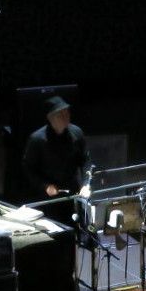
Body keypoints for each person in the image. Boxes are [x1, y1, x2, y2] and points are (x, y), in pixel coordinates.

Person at [23, 95, 92, 223]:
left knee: (82, 229)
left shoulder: (76, 133)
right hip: (49, 199)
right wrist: (45, 186)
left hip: (73, 194)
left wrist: (86, 184)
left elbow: (86, 162)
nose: (66, 116)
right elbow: (29, 169)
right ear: (51, 118)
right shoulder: (37, 139)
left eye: (67, 112)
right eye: (61, 114)